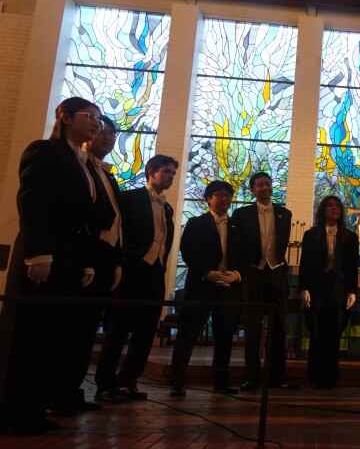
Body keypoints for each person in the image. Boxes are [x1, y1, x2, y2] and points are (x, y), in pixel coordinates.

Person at [0, 97, 101, 435]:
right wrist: (39, 253)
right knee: (25, 336)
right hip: (42, 255)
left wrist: (85, 262)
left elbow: (83, 220)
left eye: (99, 119)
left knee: (50, 336)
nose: (96, 124)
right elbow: (32, 201)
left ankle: (33, 409)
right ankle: (12, 413)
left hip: (69, 257)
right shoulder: (44, 151)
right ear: (65, 116)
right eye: (90, 116)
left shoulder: (81, 161)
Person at [52, 115, 124, 414]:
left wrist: (118, 261)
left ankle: (71, 391)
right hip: (84, 259)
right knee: (68, 331)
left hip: (105, 261)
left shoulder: (107, 175)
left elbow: (117, 223)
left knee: (85, 333)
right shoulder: (79, 167)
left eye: (113, 135)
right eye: (104, 132)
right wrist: (88, 261)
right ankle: (56, 394)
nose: (108, 138)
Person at [94, 154, 178, 403]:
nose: (170, 176)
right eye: (166, 171)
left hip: (155, 272)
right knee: (119, 328)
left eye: (173, 173)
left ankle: (128, 381)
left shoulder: (168, 207)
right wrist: (122, 262)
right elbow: (119, 231)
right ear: (151, 172)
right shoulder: (130, 197)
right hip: (132, 268)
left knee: (146, 330)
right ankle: (105, 383)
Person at [169, 180, 242, 398]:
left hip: (228, 287)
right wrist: (207, 273)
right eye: (219, 194)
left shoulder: (238, 227)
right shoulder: (196, 223)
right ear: (208, 198)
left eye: (228, 195)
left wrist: (236, 274)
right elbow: (188, 251)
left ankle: (220, 382)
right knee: (188, 335)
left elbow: (246, 254)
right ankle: (178, 381)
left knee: (224, 336)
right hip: (201, 285)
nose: (224, 199)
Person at [227, 172, 299, 391]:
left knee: (279, 328)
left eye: (267, 184)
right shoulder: (241, 214)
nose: (265, 188)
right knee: (252, 328)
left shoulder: (285, 214)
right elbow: (236, 246)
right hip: (252, 273)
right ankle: (252, 377)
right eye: (260, 185)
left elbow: (281, 243)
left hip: (276, 273)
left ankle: (279, 377)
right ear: (252, 189)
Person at [299, 195, 359, 389]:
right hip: (316, 286)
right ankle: (315, 376)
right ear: (323, 210)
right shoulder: (311, 235)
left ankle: (330, 376)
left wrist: (352, 291)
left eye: (337, 206)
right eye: (330, 205)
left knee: (334, 332)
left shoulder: (350, 236)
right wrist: (303, 288)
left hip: (338, 287)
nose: (334, 209)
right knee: (316, 330)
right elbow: (305, 264)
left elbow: (352, 268)